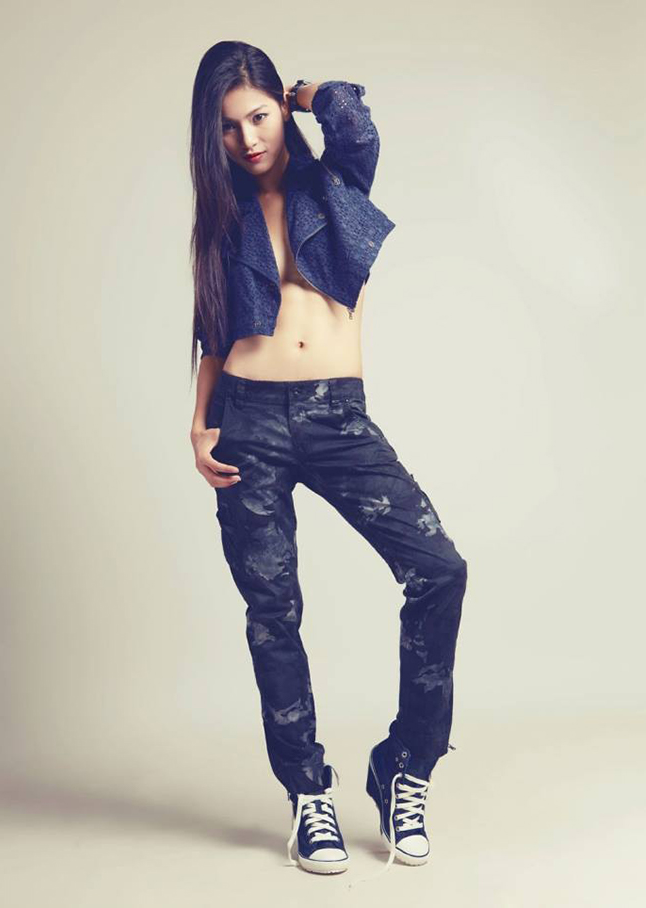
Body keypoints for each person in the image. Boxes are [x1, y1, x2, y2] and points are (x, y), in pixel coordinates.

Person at [188, 41, 468, 881]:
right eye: (228, 127)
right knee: (272, 613)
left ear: (280, 106)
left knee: (439, 570)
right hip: (248, 421)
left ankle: (404, 766)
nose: (247, 138)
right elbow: (213, 328)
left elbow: (354, 122)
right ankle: (307, 792)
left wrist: (305, 90)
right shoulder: (221, 214)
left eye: (259, 115)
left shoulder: (338, 184)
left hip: (336, 416)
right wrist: (198, 425)